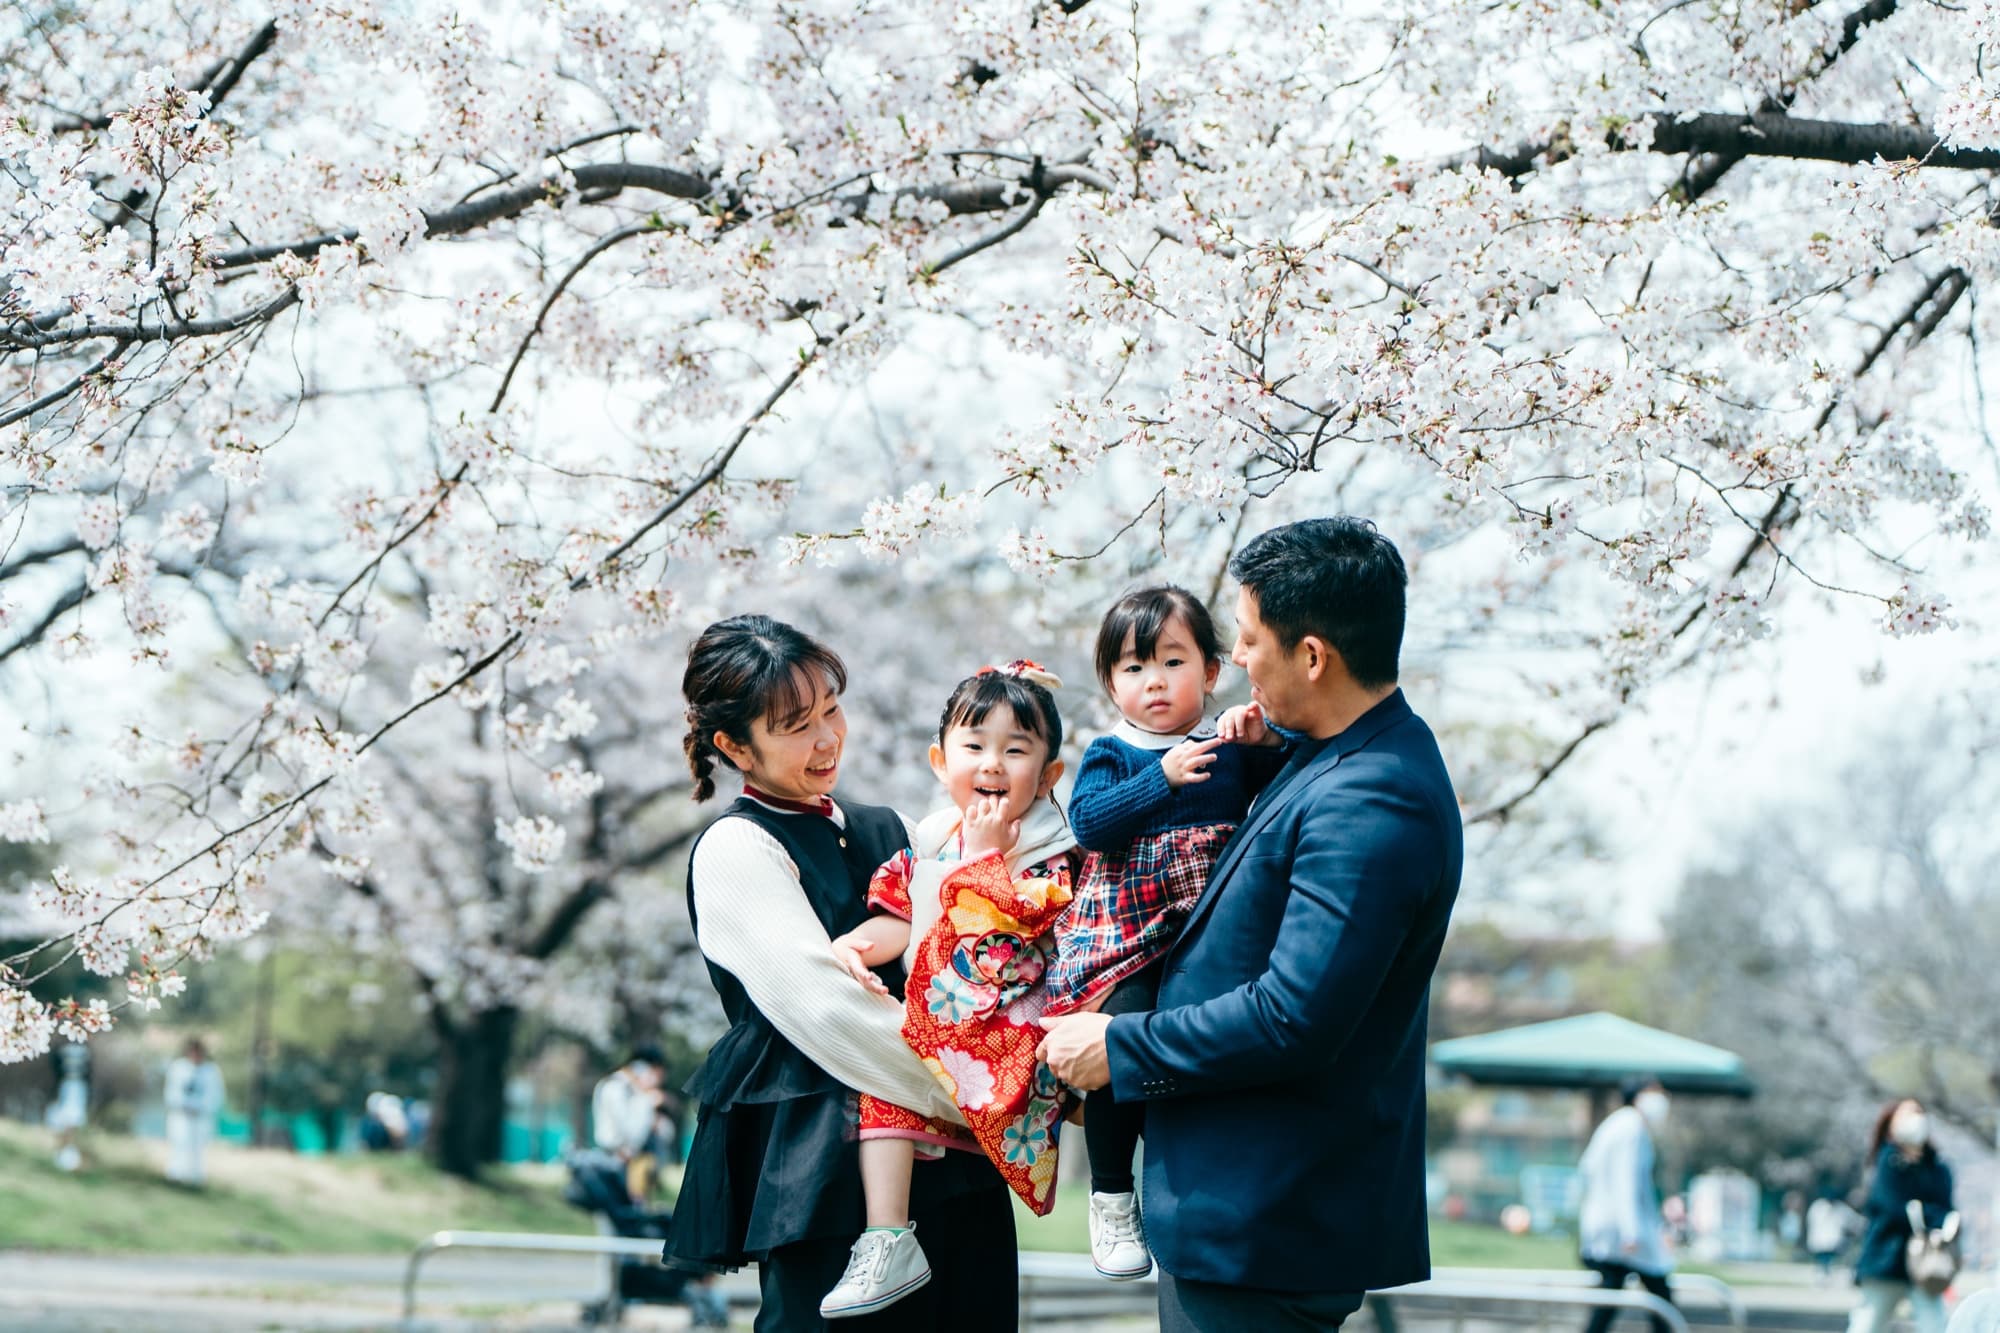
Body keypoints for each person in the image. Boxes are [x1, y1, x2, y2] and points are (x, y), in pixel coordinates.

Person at [1039, 516, 1464, 1332]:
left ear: (1312, 655)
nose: (1234, 659)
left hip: (1270, 1215)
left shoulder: (1375, 795)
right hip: (1241, 1214)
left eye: (1246, 638)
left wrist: (1118, 1046)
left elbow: (1294, 1016)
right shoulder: (1321, 755)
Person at [662, 615, 1016, 1332]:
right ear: (734, 745)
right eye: (796, 724)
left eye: (831, 709)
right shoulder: (737, 847)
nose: (827, 738)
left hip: (955, 1159)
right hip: (827, 1168)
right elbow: (833, 1012)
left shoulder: (893, 828)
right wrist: (996, 1088)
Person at [820, 660, 1080, 1318]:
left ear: (1049, 775)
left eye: (1016, 749)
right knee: (880, 1068)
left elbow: (1025, 925)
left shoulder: (1054, 849)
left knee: (906, 1050)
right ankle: (888, 1234)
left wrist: (986, 860)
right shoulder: (930, 838)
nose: (992, 762)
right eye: (974, 745)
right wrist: (858, 944)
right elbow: (900, 913)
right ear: (941, 761)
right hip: (939, 1023)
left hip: (1007, 1031)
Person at [1043, 585, 1280, 1281]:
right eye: (1132, 667)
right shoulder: (1114, 751)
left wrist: (1264, 740)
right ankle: (1112, 1189)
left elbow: (1281, 774)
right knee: (1122, 1039)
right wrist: (1163, 776)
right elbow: (1090, 822)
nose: (1153, 682)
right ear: (1111, 682)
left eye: (1172, 662)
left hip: (1206, 930)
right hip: (1132, 926)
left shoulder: (1227, 742)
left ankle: (1178, 1187)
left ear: (1210, 671)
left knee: (1194, 1052)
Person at [1576, 1078, 1676, 1333]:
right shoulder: (1630, 1127)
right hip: (1621, 1232)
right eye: (1655, 1092)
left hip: (1613, 1229)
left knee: (1609, 1302)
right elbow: (1626, 1183)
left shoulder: (1621, 1124)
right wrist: (1631, 1231)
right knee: (1659, 1294)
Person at [1849, 1099, 1955, 1333]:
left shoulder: (1938, 1167)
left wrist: (1920, 1212)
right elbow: (1893, 1207)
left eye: (1918, 1112)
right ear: (1891, 1123)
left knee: (1934, 1325)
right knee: (1868, 1325)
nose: (1915, 1119)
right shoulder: (1886, 1162)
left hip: (1927, 1266)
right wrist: (1929, 1215)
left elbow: (1947, 1211)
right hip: (1886, 1261)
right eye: (1906, 1114)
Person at [164, 1037, 225, 1187]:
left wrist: (201, 1107)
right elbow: (172, 1091)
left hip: (200, 1117)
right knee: (179, 1144)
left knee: (198, 1147)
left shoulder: (211, 1071)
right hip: (181, 1115)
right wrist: (182, 1105)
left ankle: (195, 1178)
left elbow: (215, 1094)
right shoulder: (178, 1068)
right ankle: (176, 1176)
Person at [46, 1041, 90, 1172]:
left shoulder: (84, 1050)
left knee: (70, 1125)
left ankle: (67, 1158)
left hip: (77, 1089)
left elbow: (88, 1072)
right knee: (65, 1126)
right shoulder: (62, 1049)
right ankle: (63, 1158)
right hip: (66, 1088)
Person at [1807, 1192, 1860, 1283]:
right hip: (1820, 1240)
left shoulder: (1840, 1208)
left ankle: (1826, 1277)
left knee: (1828, 1261)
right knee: (1823, 1260)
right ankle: (1824, 1277)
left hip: (1832, 1241)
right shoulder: (1818, 1206)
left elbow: (1853, 1220)